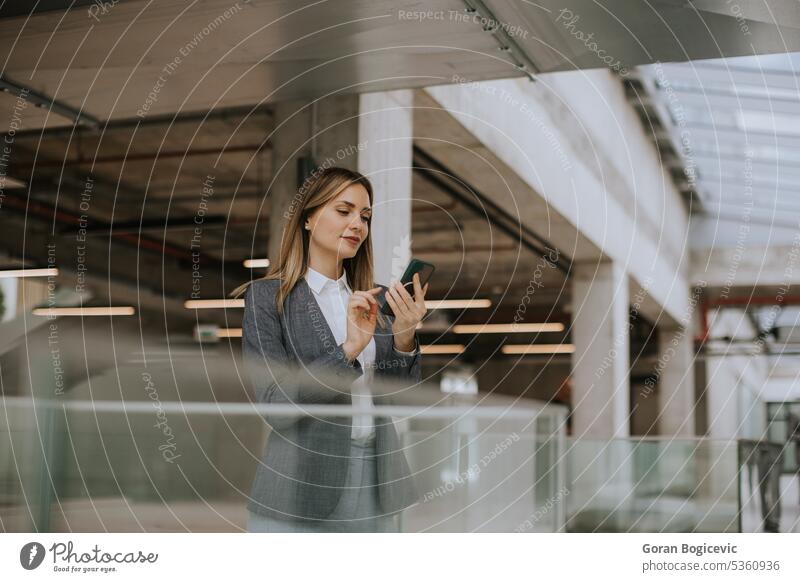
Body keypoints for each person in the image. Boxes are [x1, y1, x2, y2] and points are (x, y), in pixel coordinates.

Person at [234, 166, 428, 532]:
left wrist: (404, 338)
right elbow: (276, 406)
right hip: (298, 482)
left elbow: (401, 400)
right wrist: (348, 350)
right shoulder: (268, 299)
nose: (357, 223)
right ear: (308, 218)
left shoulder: (378, 300)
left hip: (377, 481)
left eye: (365, 216)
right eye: (344, 211)